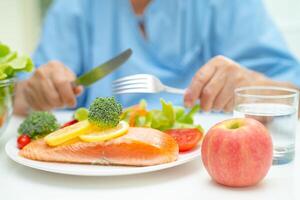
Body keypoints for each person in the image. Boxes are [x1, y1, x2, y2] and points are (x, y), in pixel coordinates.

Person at [14, 0, 300, 115]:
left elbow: (294, 96)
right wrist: (34, 92)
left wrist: (252, 88)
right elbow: (19, 97)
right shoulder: (75, 7)